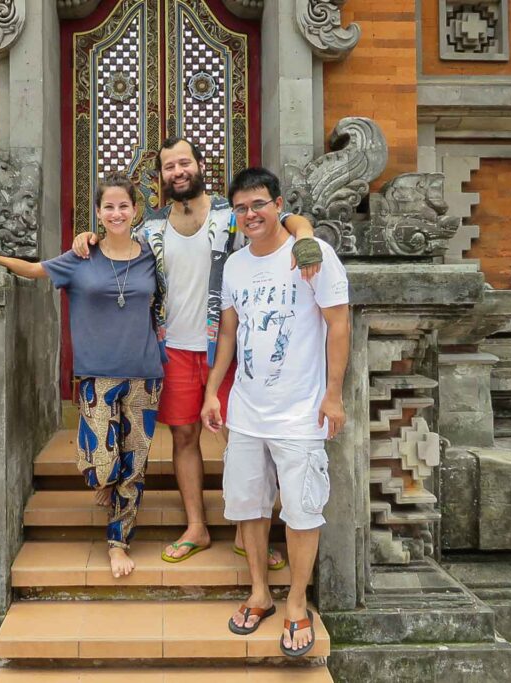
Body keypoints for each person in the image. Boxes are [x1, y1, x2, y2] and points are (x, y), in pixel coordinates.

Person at [73, 137, 326, 567]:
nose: (178, 172)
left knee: (241, 437)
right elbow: (112, 244)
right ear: (161, 178)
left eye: (184, 162)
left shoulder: (234, 219)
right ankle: (197, 526)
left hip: (228, 349)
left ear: (200, 165)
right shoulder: (148, 229)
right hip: (172, 350)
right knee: (185, 436)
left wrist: (305, 236)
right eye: (169, 166)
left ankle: (251, 533)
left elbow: (287, 217)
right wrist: (87, 236)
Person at [0, 172, 162, 580]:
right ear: (98, 213)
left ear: (136, 210)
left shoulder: (153, 256)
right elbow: (31, 270)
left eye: (124, 206)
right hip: (96, 375)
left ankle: (118, 542)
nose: (116, 213)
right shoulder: (80, 258)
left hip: (144, 374)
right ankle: (105, 479)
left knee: (135, 466)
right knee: (102, 464)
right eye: (108, 206)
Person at [201, 167, 349, 656]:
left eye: (259, 204)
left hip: (301, 413)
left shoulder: (311, 254)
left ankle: (298, 604)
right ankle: (260, 592)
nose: (251, 214)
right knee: (249, 507)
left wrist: (333, 393)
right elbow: (227, 333)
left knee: (303, 512)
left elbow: (338, 323)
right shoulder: (236, 265)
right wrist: (212, 392)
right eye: (241, 208)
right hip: (246, 411)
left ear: (278, 204)